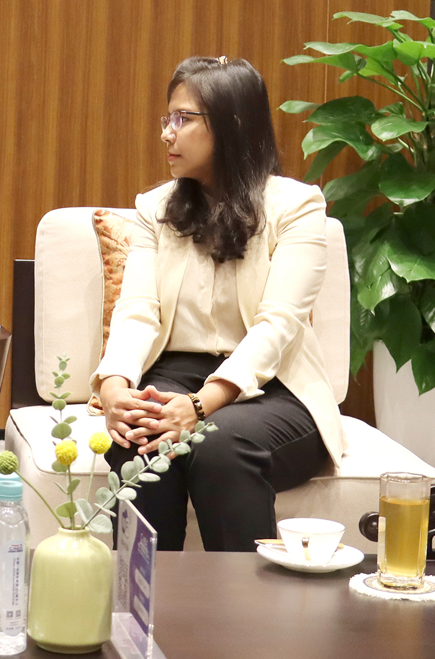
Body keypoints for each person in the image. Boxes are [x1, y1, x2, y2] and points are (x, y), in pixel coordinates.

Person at [91, 56, 346, 551]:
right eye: (167, 117)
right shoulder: (155, 209)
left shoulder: (296, 206)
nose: (167, 133)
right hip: (174, 372)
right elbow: (137, 310)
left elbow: (278, 325)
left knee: (220, 444)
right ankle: (146, 593)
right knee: (139, 436)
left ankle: (241, 600)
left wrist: (200, 405)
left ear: (232, 124)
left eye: (183, 119)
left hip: (275, 388)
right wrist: (115, 387)